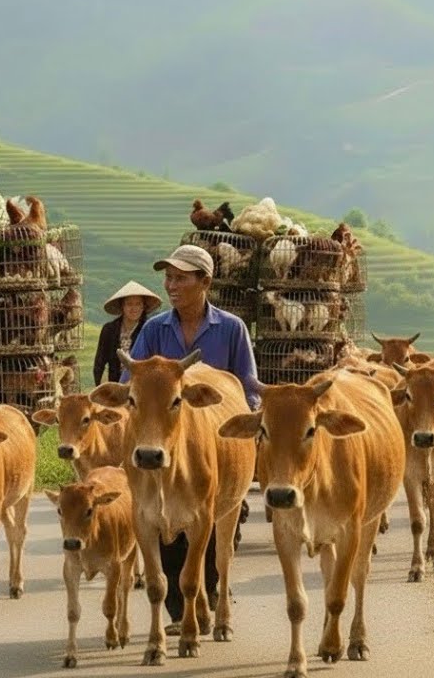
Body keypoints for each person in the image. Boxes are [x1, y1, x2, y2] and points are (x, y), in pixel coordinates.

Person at [123, 244, 261, 635]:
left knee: (218, 532)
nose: (171, 285)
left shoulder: (231, 328)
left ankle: (214, 597)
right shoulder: (153, 330)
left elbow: (248, 387)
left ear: (206, 282)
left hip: (214, 443)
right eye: (168, 277)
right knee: (164, 534)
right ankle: (181, 612)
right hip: (162, 445)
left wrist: (243, 421)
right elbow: (128, 384)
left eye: (181, 278)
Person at [94, 280, 162, 385]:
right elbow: (100, 362)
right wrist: (99, 385)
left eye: (138, 304)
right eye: (129, 304)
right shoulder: (109, 330)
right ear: (122, 306)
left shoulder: (149, 329)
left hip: (142, 386)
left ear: (143, 307)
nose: (134, 308)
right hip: (116, 385)